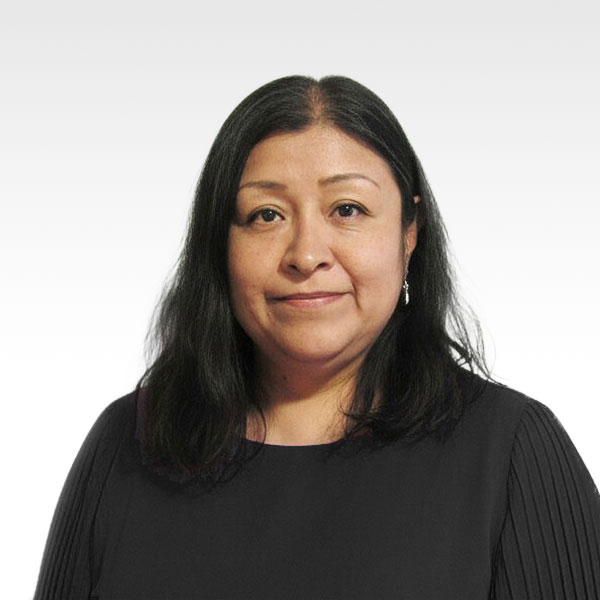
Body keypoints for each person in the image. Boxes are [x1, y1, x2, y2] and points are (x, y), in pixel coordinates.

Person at [34, 75, 600, 599]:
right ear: (220, 245)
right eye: (266, 215)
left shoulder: (512, 452)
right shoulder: (127, 442)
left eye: (347, 209)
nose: (306, 255)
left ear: (409, 233)